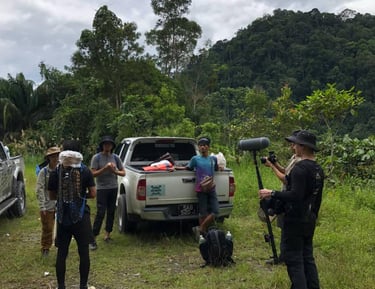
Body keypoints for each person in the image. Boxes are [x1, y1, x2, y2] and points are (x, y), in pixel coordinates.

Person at [259, 130, 324, 289]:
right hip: (309, 219)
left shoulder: (300, 168)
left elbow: (295, 195)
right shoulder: (317, 169)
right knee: (307, 257)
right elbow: (315, 199)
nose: (293, 147)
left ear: (303, 147)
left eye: (295, 144)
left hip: (295, 220)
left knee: (294, 260)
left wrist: (272, 193)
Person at [48, 140, 96, 289]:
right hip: (81, 217)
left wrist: (63, 198)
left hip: (63, 217)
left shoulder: (56, 171)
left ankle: (61, 286)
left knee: (62, 253)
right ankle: (83, 286)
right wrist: (81, 196)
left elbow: (51, 196)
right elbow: (93, 194)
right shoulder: (85, 170)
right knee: (83, 252)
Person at [262, 130, 301, 263]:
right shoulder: (294, 158)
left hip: (290, 198)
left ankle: (285, 257)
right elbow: (285, 171)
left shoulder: (300, 161)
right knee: (284, 227)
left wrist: (272, 166)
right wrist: (276, 163)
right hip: (286, 197)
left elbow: (285, 179)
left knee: (287, 230)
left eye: (294, 144)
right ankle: (285, 256)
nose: (291, 146)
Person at [176, 137, 223, 240]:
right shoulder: (195, 159)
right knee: (203, 213)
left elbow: (216, 169)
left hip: (211, 188)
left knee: (216, 211)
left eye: (204, 145)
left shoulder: (213, 159)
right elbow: (188, 168)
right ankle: (202, 235)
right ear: (198, 147)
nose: (202, 147)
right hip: (200, 189)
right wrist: (174, 168)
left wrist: (221, 168)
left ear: (208, 147)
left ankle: (200, 228)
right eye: (200, 145)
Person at [90, 136, 125, 248]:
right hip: (102, 188)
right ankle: (93, 238)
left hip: (113, 187)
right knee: (100, 212)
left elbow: (123, 173)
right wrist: (105, 168)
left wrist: (114, 171)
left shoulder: (115, 157)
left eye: (109, 144)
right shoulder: (97, 158)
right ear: (102, 146)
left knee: (111, 212)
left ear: (112, 146)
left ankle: (107, 235)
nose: (107, 146)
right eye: (105, 144)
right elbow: (93, 174)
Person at [36, 146, 60, 257]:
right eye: (53, 156)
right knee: (47, 227)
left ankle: (61, 246)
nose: (55, 158)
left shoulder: (62, 170)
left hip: (60, 203)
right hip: (48, 203)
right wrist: (42, 206)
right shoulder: (43, 172)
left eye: (57, 156)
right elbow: (39, 189)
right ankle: (45, 247)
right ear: (48, 158)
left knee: (62, 226)